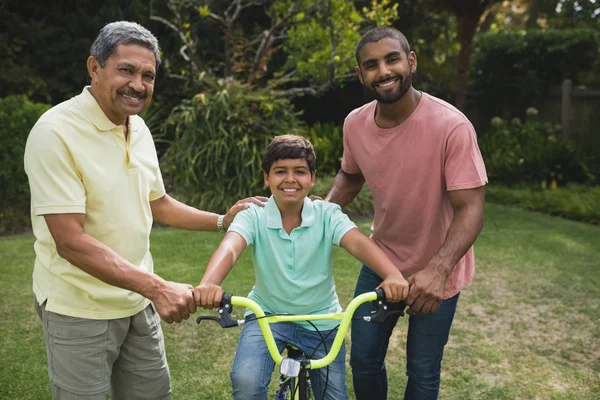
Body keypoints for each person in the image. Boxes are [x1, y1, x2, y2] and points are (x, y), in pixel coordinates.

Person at [24, 21, 265, 400]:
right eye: (126, 70)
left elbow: (158, 203)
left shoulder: (137, 128)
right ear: (94, 68)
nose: (138, 84)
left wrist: (222, 221)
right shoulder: (54, 132)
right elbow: (70, 241)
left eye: (148, 75)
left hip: (136, 304)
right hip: (78, 310)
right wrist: (157, 288)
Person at [324, 27, 488, 400]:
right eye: (371, 65)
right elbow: (350, 176)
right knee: (363, 361)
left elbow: (471, 208)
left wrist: (438, 269)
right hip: (382, 261)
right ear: (360, 74)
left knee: (423, 371)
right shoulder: (355, 123)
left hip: (438, 270)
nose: (383, 71)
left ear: (410, 61)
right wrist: (317, 214)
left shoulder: (451, 125)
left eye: (392, 59)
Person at [194, 134, 410, 400]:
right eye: (280, 171)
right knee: (246, 381)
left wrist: (392, 275)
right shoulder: (254, 215)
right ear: (266, 178)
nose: (290, 179)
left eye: (300, 171)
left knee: (334, 396)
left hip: (322, 319)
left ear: (312, 178)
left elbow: (359, 244)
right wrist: (209, 283)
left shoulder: (327, 215)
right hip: (267, 317)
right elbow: (231, 246)